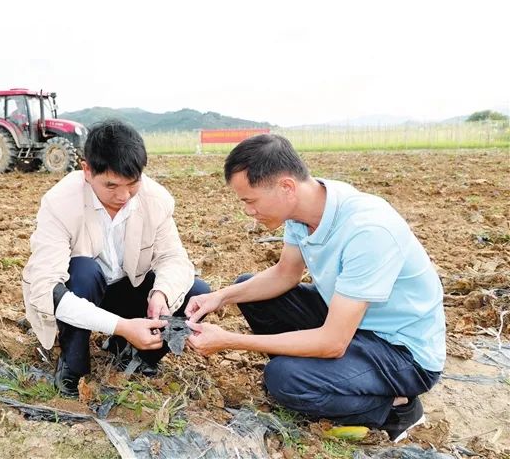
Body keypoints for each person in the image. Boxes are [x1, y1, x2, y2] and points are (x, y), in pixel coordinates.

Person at [184, 134, 445, 443]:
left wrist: (230, 340)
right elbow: (285, 274)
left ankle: (396, 409)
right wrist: (220, 296)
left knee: (283, 379)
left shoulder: (368, 230)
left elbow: (334, 342)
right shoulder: (305, 210)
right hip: (354, 320)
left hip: (401, 352)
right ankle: (322, 374)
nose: (247, 211)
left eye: (250, 201)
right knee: (246, 289)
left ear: (286, 187)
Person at [22, 119, 211, 397]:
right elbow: (46, 289)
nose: (123, 196)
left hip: (126, 290)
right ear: (87, 170)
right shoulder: (60, 203)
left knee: (196, 292)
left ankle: (136, 356)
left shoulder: (155, 200)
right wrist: (121, 326)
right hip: (83, 291)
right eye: (111, 185)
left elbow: (175, 260)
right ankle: (73, 364)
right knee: (84, 270)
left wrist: (161, 295)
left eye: (132, 184)